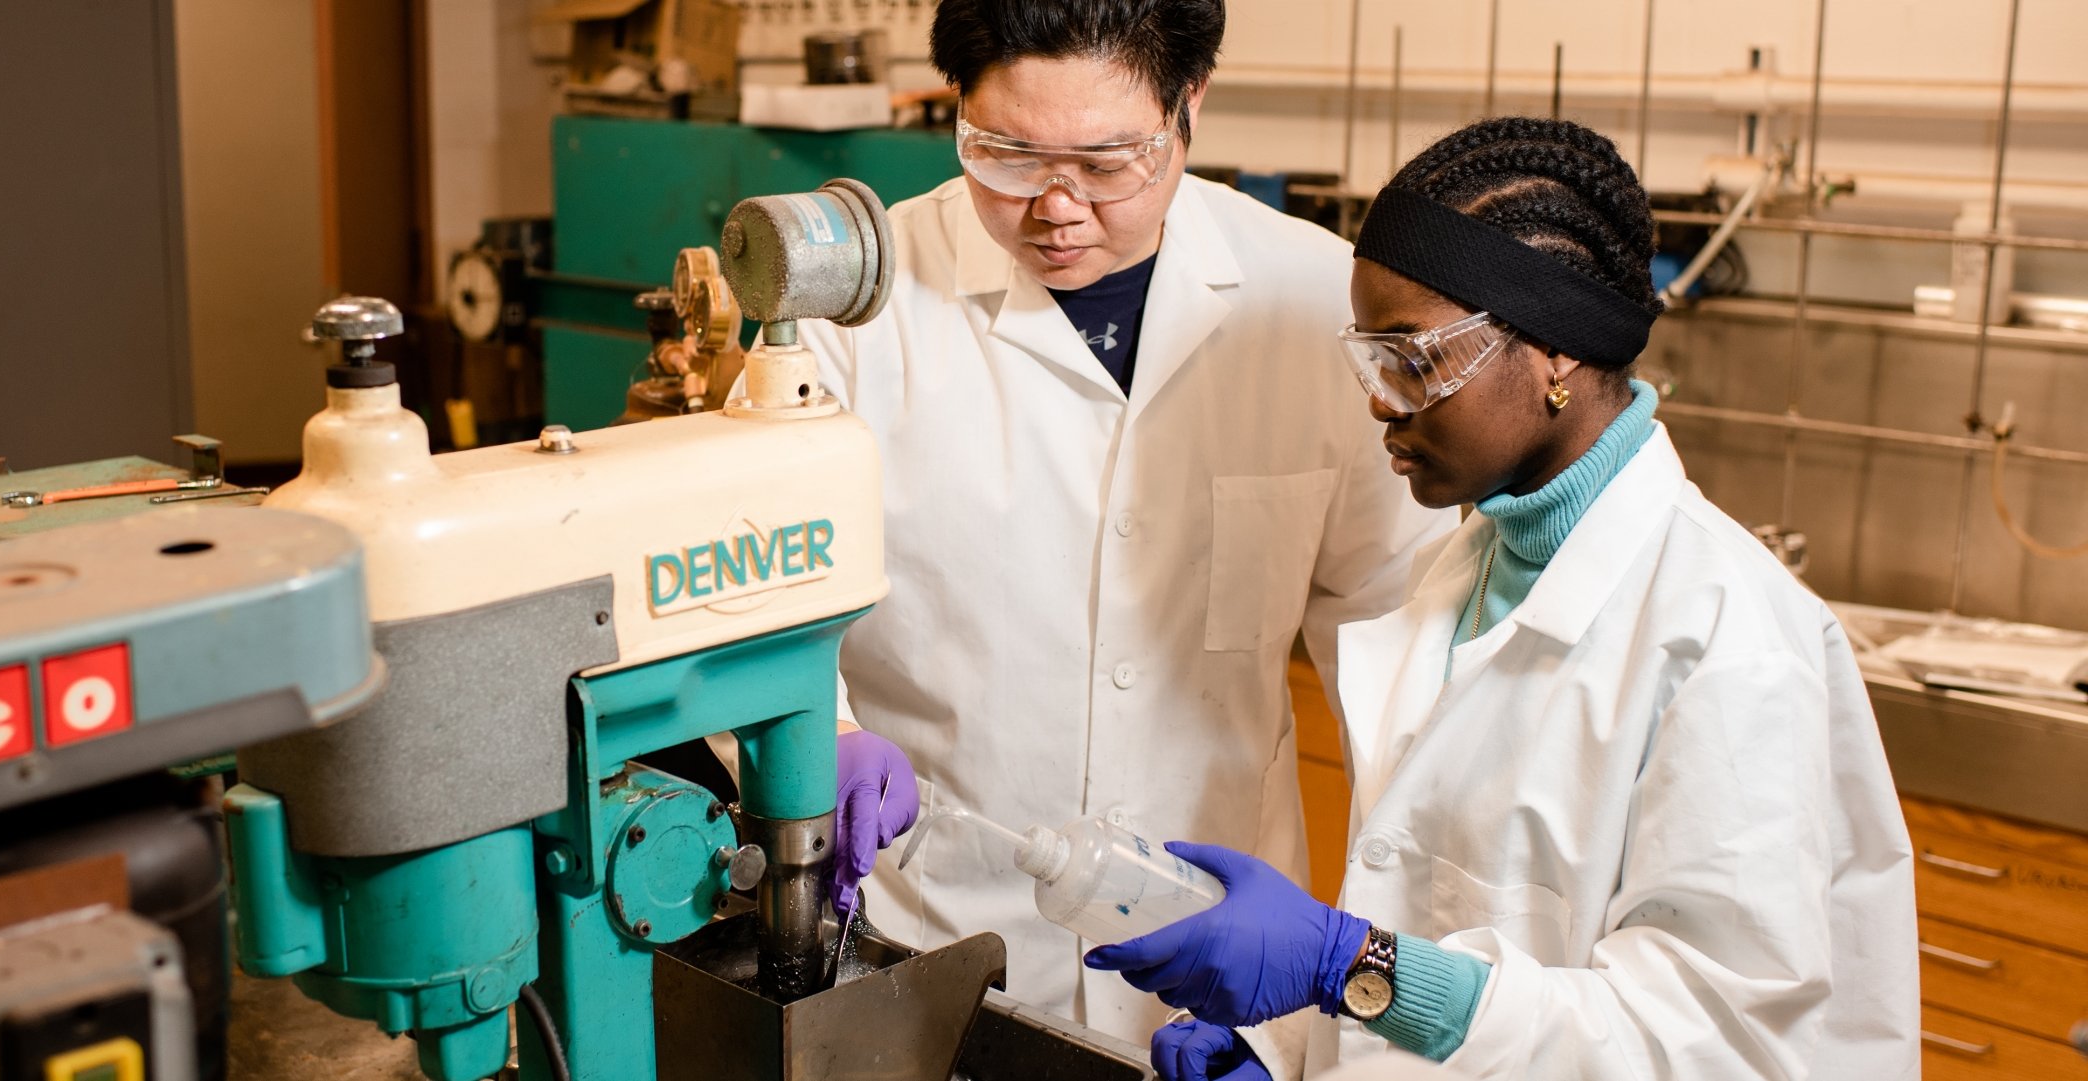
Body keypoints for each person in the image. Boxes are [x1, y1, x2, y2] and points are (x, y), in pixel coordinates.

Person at [1084, 117, 1920, 1080]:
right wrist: (1289, 1048)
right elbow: (1448, 931)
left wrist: (1345, 965)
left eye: (1414, 361)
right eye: (1369, 359)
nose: (1378, 402)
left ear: (1556, 351)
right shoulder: (1470, 566)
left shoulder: (1728, 639)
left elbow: (1709, 1044)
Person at [793, 0, 1453, 1052]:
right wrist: (813, 734)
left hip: (1223, 957)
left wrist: (1352, 975)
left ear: (1189, 107)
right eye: (1003, 154)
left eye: (1109, 164)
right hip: (935, 936)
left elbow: (1404, 663)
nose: (1056, 207)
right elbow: (742, 602)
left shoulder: (1311, 297)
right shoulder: (849, 311)